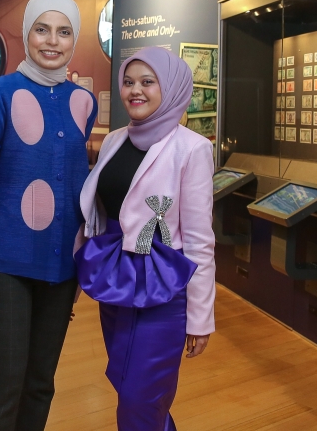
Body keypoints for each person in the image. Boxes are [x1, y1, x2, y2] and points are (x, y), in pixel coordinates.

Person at [0, 0, 97, 431]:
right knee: (4, 382)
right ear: (27, 34)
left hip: (60, 265)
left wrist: (81, 266)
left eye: (63, 32)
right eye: (42, 29)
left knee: (41, 383)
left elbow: (76, 186)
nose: (52, 41)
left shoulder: (83, 102)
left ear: (74, 39)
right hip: (3, 263)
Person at [75, 46, 215, 431]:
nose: (135, 90)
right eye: (128, 82)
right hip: (116, 282)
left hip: (164, 289)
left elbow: (200, 240)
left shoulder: (193, 148)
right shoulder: (114, 140)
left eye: (147, 82)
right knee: (126, 385)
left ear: (169, 88)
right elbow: (97, 217)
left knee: (141, 398)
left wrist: (200, 318)